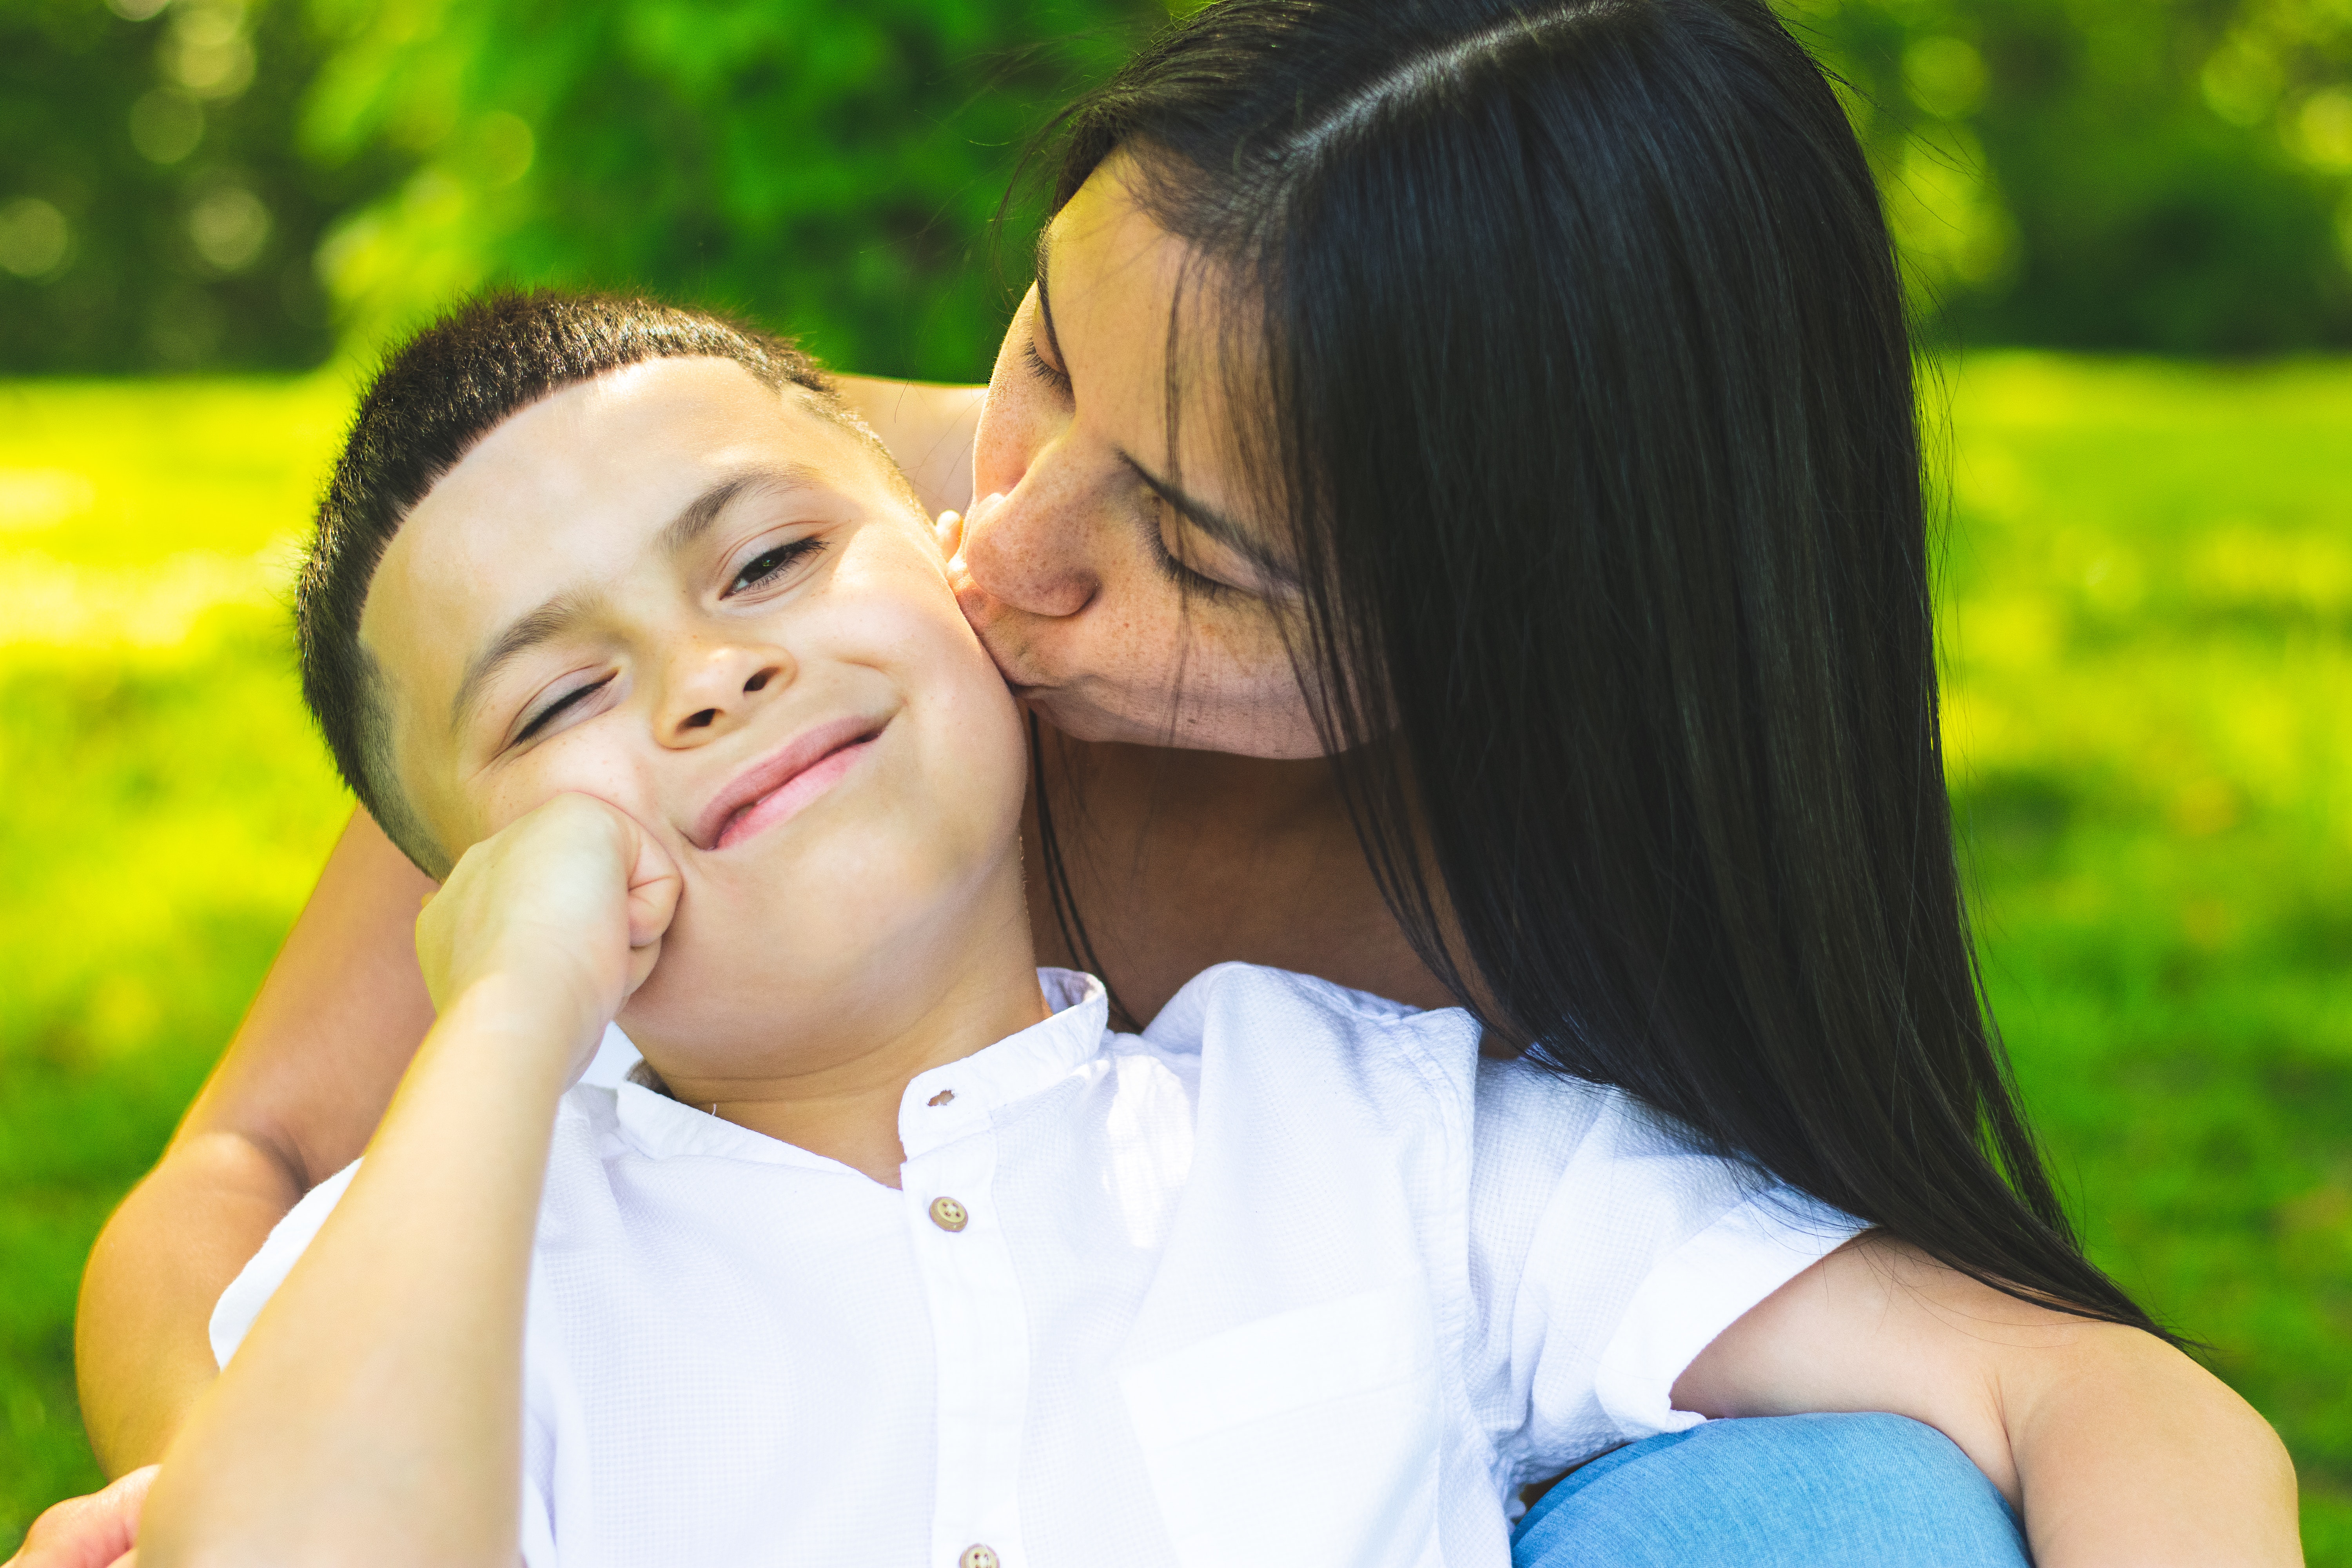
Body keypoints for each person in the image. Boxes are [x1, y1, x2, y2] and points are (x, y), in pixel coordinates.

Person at [33, 0, 2302, 1563]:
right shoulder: (762, 577)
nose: (997, 543)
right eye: (1038, 351)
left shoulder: (1414, 1098)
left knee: (1855, 1512)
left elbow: (2100, 1404)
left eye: (1197, 554)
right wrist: (255, 1454)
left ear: (1493, 643)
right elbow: (255, 1169)